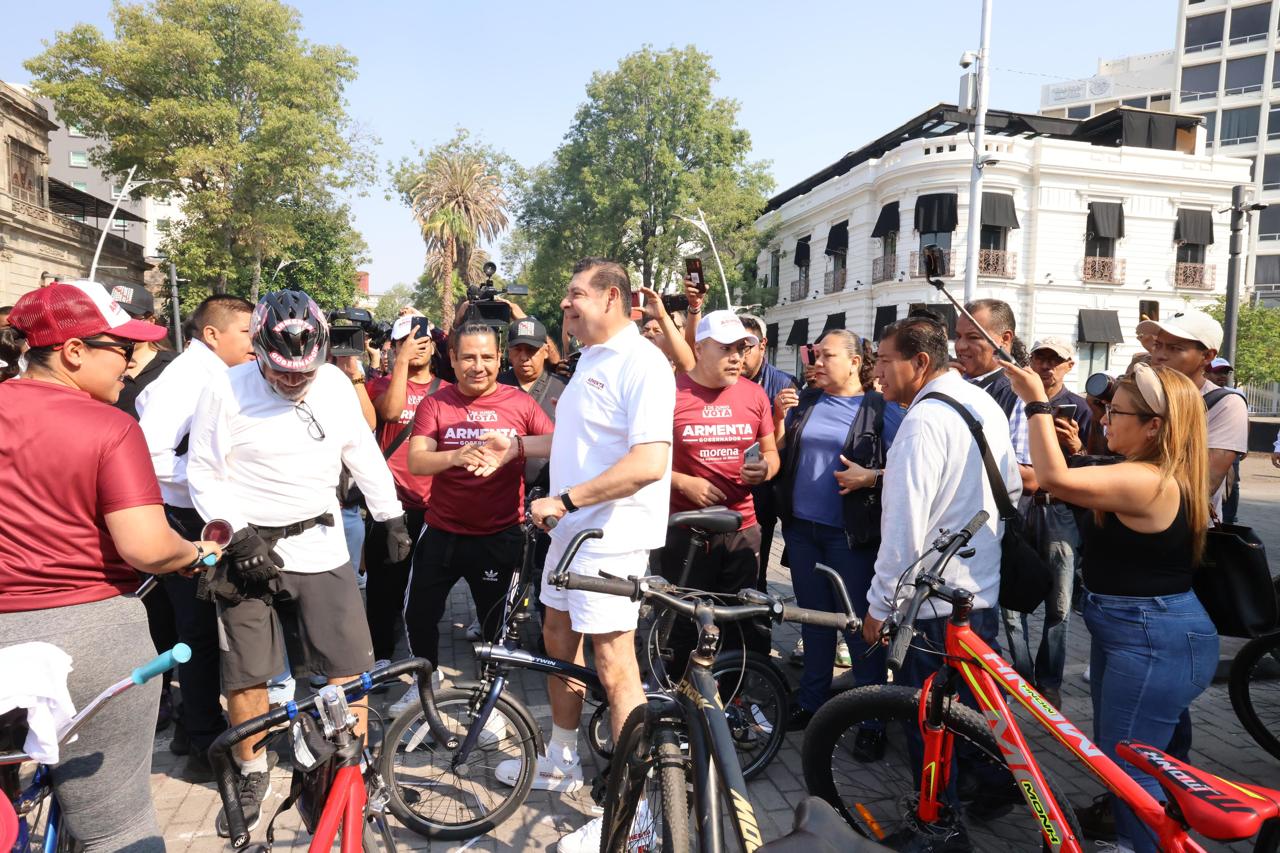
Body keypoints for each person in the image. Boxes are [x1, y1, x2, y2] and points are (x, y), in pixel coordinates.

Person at [0, 280, 223, 852]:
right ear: (73, 351)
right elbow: (146, 547)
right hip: (86, 636)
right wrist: (191, 553)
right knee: (116, 826)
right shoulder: (109, 426)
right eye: (121, 349)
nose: (131, 364)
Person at [186, 290, 412, 836]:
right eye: (281, 374)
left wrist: (391, 517)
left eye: (302, 374)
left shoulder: (332, 383)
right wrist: (237, 534)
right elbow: (203, 471)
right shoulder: (224, 386)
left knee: (348, 667)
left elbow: (362, 452)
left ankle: (348, 762)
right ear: (258, 352)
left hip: (320, 544)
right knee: (247, 673)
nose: (293, 382)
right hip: (247, 549)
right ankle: (251, 769)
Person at [1003, 360, 1215, 853]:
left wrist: (1035, 399)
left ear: (1154, 426)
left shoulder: (1148, 481)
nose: (1103, 420)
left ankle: (1140, 844)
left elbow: (1053, 478)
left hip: (1151, 638)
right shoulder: (1140, 471)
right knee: (1136, 762)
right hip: (1136, 634)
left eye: (1115, 412)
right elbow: (1041, 477)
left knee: (1129, 771)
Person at [522, 258, 674, 852]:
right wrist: (513, 445)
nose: (566, 306)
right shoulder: (589, 360)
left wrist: (564, 498)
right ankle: (561, 756)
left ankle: (637, 818)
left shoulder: (644, 364)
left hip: (609, 538)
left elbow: (647, 463)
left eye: (575, 295)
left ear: (613, 297)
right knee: (558, 634)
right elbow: (574, 443)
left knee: (616, 669)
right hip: (572, 531)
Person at [392, 323, 554, 716]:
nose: (477, 366)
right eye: (468, 357)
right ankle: (422, 683)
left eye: (486, 357)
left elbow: (556, 441)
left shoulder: (519, 402)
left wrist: (515, 448)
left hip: (500, 536)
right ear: (452, 359)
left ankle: (491, 702)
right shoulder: (437, 403)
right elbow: (417, 459)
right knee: (418, 615)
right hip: (443, 531)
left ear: (499, 359)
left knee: (497, 626)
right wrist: (455, 456)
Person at [864, 313, 1018, 698]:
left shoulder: (922, 421)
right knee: (978, 727)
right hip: (980, 596)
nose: (876, 371)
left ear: (920, 363)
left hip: (932, 611)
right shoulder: (981, 401)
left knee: (935, 732)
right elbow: (1011, 490)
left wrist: (881, 606)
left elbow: (903, 527)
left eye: (885, 360)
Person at [136, 294, 255, 780]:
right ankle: (205, 740)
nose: (254, 342)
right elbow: (149, 450)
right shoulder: (190, 376)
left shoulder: (208, 373)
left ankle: (195, 725)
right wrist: (211, 470)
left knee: (198, 629)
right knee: (200, 632)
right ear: (212, 333)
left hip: (195, 515)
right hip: (184, 520)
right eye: (247, 332)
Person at [772, 329, 904, 738]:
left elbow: (909, 467)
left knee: (859, 626)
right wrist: (778, 417)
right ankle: (812, 701)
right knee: (813, 621)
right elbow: (777, 453)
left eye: (826, 355)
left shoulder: (881, 409)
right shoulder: (805, 401)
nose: (816, 362)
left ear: (853, 362)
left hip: (850, 537)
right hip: (802, 532)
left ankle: (869, 717)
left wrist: (874, 477)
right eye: (815, 354)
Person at [665, 310, 779, 674]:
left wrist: (766, 469)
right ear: (699, 348)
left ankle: (738, 698)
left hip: (742, 528)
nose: (736, 357)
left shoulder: (754, 394)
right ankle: (678, 702)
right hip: (686, 531)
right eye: (726, 348)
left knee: (741, 621)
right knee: (685, 621)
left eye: (742, 348)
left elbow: (772, 451)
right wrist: (683, 482)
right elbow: (643, 459)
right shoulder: (670, 393)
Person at [1004, 336, 1092, 703]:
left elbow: (1098, 463)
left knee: (1059, 605)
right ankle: (1022, 677)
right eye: (1040, 358)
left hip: (1059, 511)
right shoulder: (1012, 399)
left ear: (1070, 366)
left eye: (1055, 361)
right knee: (1010, 606)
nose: (1046, 366)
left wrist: (1078, 449)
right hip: (1017, 508)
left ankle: (1050, 680)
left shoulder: (1080, 408)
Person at [364, 316, 445, 666]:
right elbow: (392, 412)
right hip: (389, 505)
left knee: (423, 589)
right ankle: (382, 654)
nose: (416, 346)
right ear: (394, 346)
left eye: (422, 341)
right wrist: (400, 362)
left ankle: (420, 659)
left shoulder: (445, 389)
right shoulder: (379, 385)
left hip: (433, 506)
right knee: (384, 587)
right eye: (406, 341)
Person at [1138, 309, 1247, 520]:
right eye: (1158, 345)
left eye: (1175, 348)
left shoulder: (1225, 404)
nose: (1160, 355)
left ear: (1207, 356)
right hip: (1129, 521)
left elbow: (1204, 484)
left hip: (1184, 530)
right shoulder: (1140, 393)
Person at [498, 315, 567, 624]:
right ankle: (497, 617)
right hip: (504, 494)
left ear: (545, 350)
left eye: (532, 350)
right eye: (517, 350)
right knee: (503, 563)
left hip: (550, 494)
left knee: (545, 565)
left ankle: (544, 622)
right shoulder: (496, 387)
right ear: (508, 352)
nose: (524, 358)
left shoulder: (565, 387)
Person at [727, 312, 797, 591]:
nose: (740, 356)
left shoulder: (783, 384)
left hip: (763, 494)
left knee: (754, 575)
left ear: (763, 344)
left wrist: (776, 415)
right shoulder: (722, 379)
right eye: (732, 348)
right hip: (724, 489)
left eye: (746, 347)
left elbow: (786, 444)